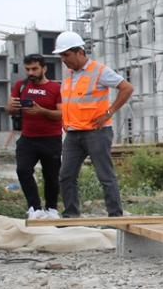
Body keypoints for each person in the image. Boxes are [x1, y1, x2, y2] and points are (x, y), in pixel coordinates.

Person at [53, 31, 134, 218]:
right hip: (73, 133)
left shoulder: (99, 71)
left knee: (105, 175)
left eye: (66, 55)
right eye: (61, 55)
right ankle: (70, 216)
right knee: (66, 175)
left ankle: (115, 216)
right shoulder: (68, 76)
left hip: (96, 132)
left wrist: (109, 113)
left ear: (79, 52)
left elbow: (127, 88)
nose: (63, 59)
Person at [3, 54, 63, 219]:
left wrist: (41, 111)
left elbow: (61, 113)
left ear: (44, 69)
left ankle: (51, 209)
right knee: (22, 170)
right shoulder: (20, 86)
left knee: (51, 176)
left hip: (51, 137)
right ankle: (34, 208)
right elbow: (9, 109)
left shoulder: (56, 88)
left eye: (35, 69)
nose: (31, 72)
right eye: (28, 69)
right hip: (27, 138)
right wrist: (13, 107)